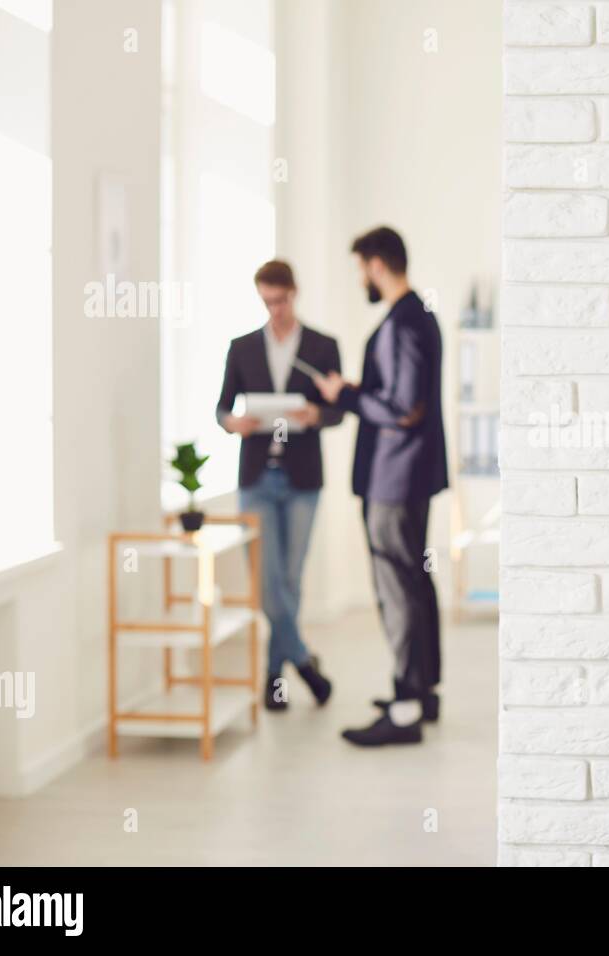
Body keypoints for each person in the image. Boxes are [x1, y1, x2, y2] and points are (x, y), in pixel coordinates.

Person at [315, 226, 448, 747]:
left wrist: (345, 394)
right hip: (406, 475)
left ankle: (406, 705)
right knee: (414, 582)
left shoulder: (402, 322)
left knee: (398, 589)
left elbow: (402, 409)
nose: (360, 280)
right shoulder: (418, 316)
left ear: (375, 264)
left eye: (360, 269)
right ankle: (421, 693)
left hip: (393, 478)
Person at [216, 259, 342, 712]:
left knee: (289, 579)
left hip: (302, 477)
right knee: (268, 585)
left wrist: (316, 415)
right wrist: (234, 423)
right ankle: (305, 664)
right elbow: (221, 409)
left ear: (295, 293)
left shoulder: (323, 346)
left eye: (282, 300)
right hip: (257, 477)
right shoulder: (243, 347)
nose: (276, 310)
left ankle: (274, 679)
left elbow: (339, 409)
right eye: (267, 302)